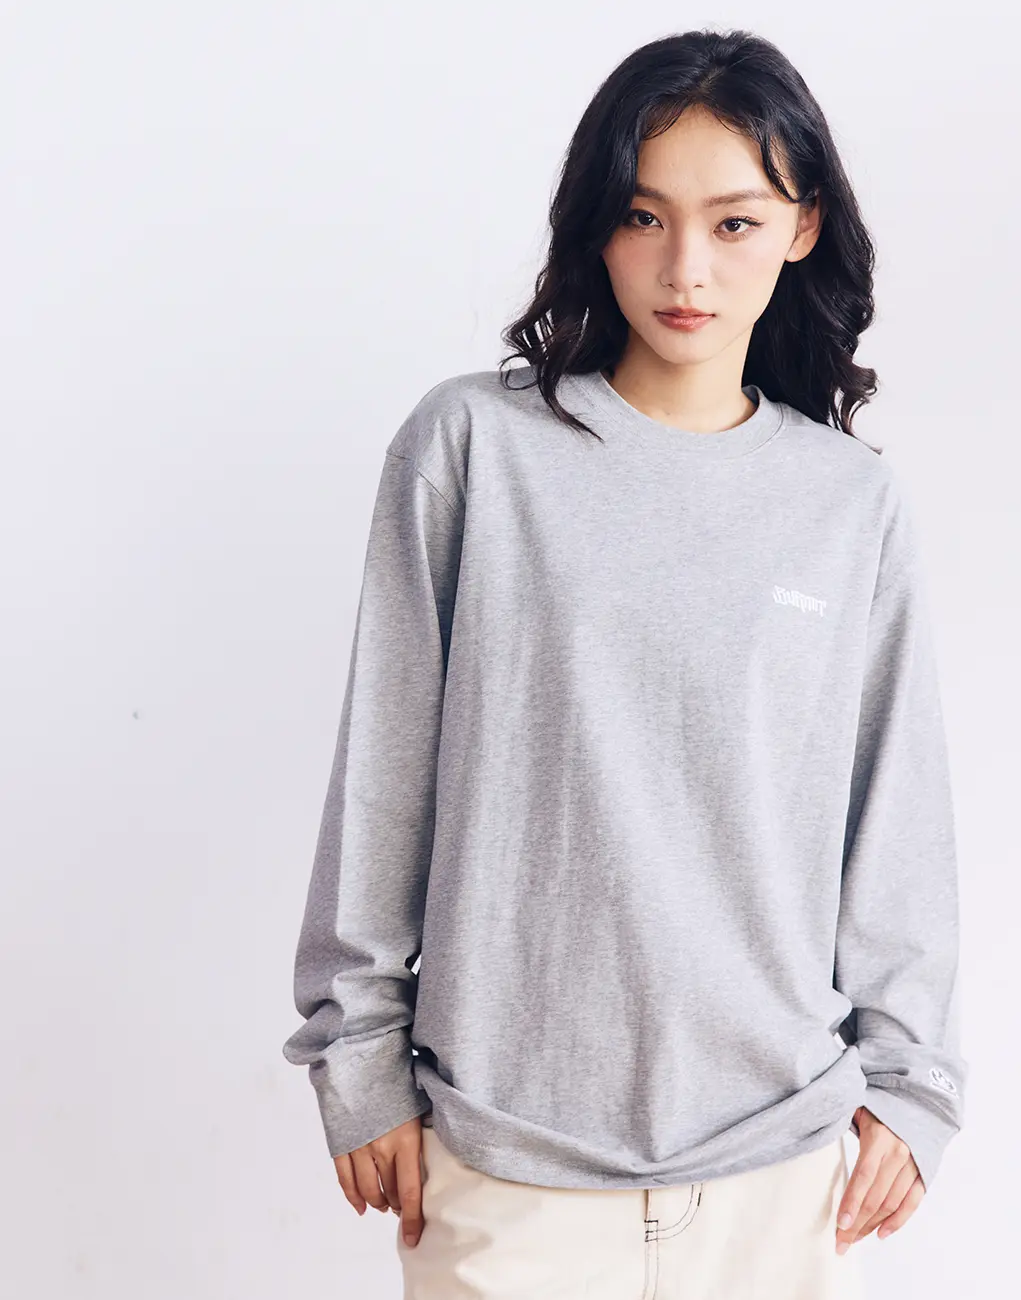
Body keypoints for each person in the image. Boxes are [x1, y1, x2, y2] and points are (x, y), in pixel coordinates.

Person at [282, 26, 966, 1299]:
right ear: (596, 225)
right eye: (644, 217)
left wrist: (912, 1083)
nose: (685, 268)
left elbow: (894, 813)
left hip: (779, 1169)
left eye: (733, 222)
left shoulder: (848, 503)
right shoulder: (473, 450)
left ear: (803, 227)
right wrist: (359, 1061)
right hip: (504, 1162)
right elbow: (384, 773)